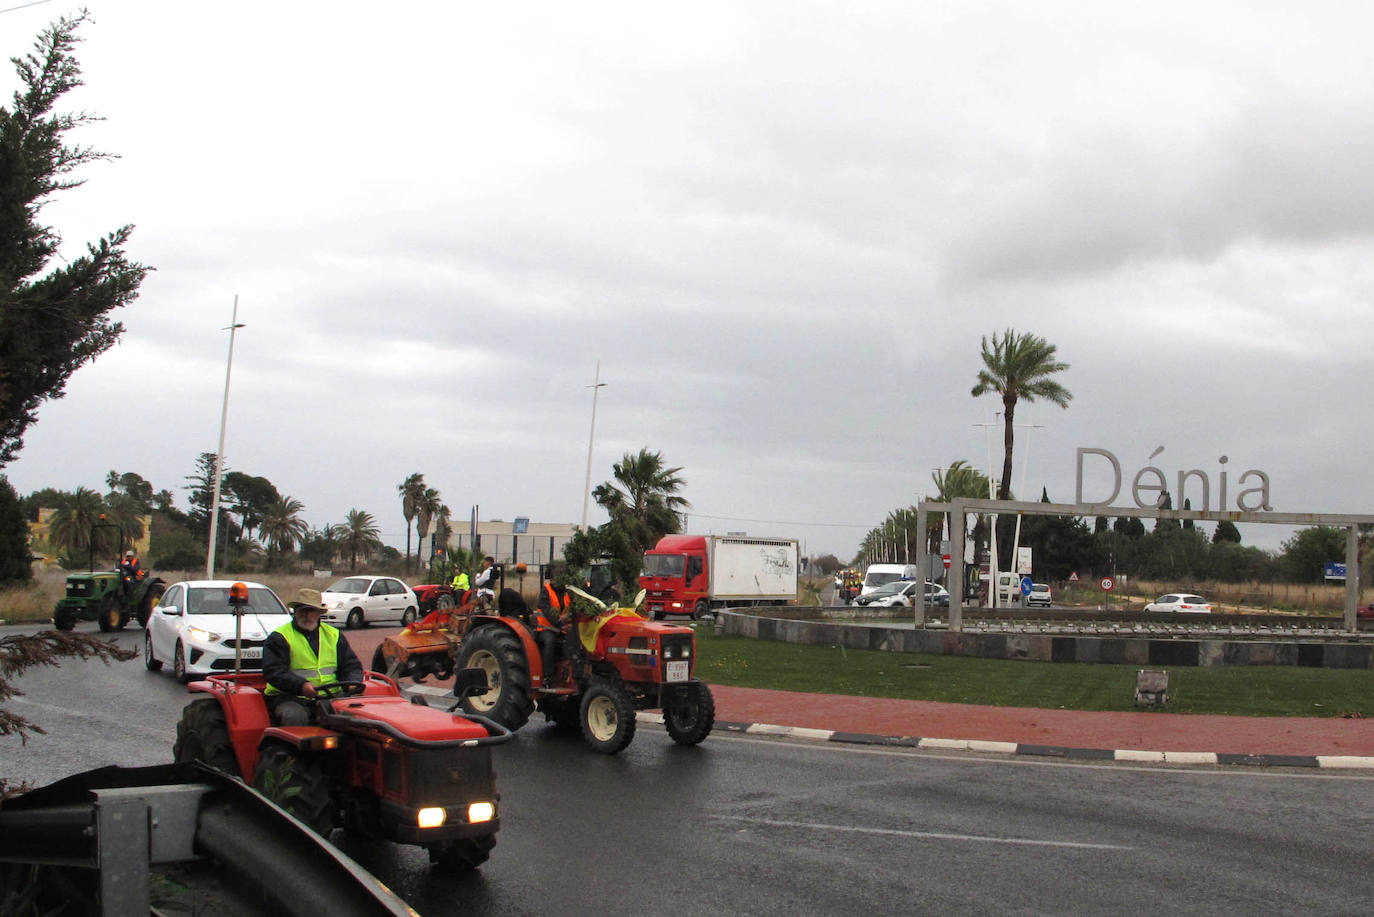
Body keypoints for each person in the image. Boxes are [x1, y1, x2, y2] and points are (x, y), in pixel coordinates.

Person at [263, 587, 364, 726]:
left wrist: (352, 682)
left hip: (330, 697)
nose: (308, 615)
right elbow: (274, 672)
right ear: (295, 611)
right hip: (289, 697)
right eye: (303, 610)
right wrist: (301, 685)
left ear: (319, 613)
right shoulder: (279, 637)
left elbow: (351, 665)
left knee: (358, 717)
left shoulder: (334, 635)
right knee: (294, 717)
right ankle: (293, 748)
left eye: (312, 610)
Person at [534, 581, 572, 686]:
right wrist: (559, 623)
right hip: (546, 628)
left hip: (562, 628)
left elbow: (572, 609)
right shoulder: (546, 591)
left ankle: (569, 674)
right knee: (550, 641)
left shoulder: (567, 592)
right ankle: (547, 676)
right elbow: (546, 610)